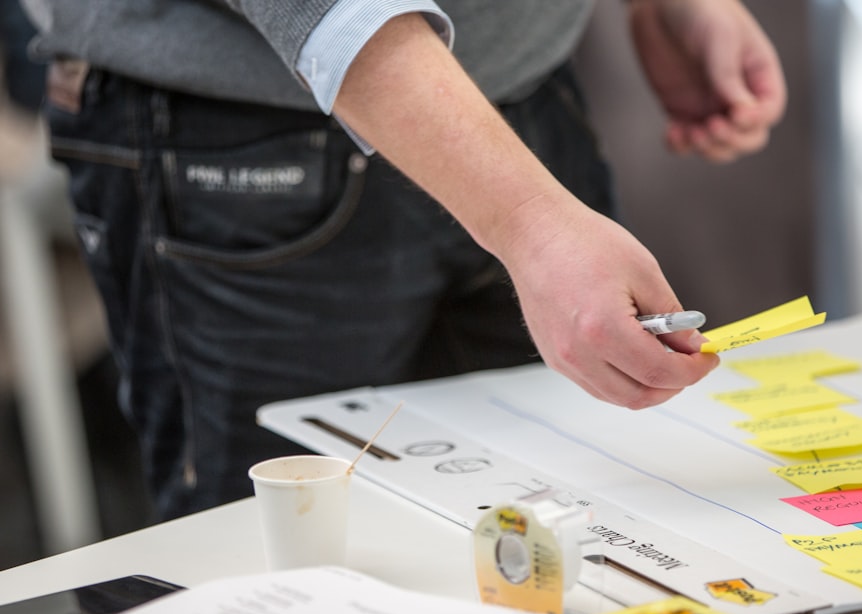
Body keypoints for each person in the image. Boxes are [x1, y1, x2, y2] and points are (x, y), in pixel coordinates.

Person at [19, 0, 786, 521]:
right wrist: (529, 221)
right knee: (298, 585)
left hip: (525, 94)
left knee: (586, 546)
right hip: (243, 133)